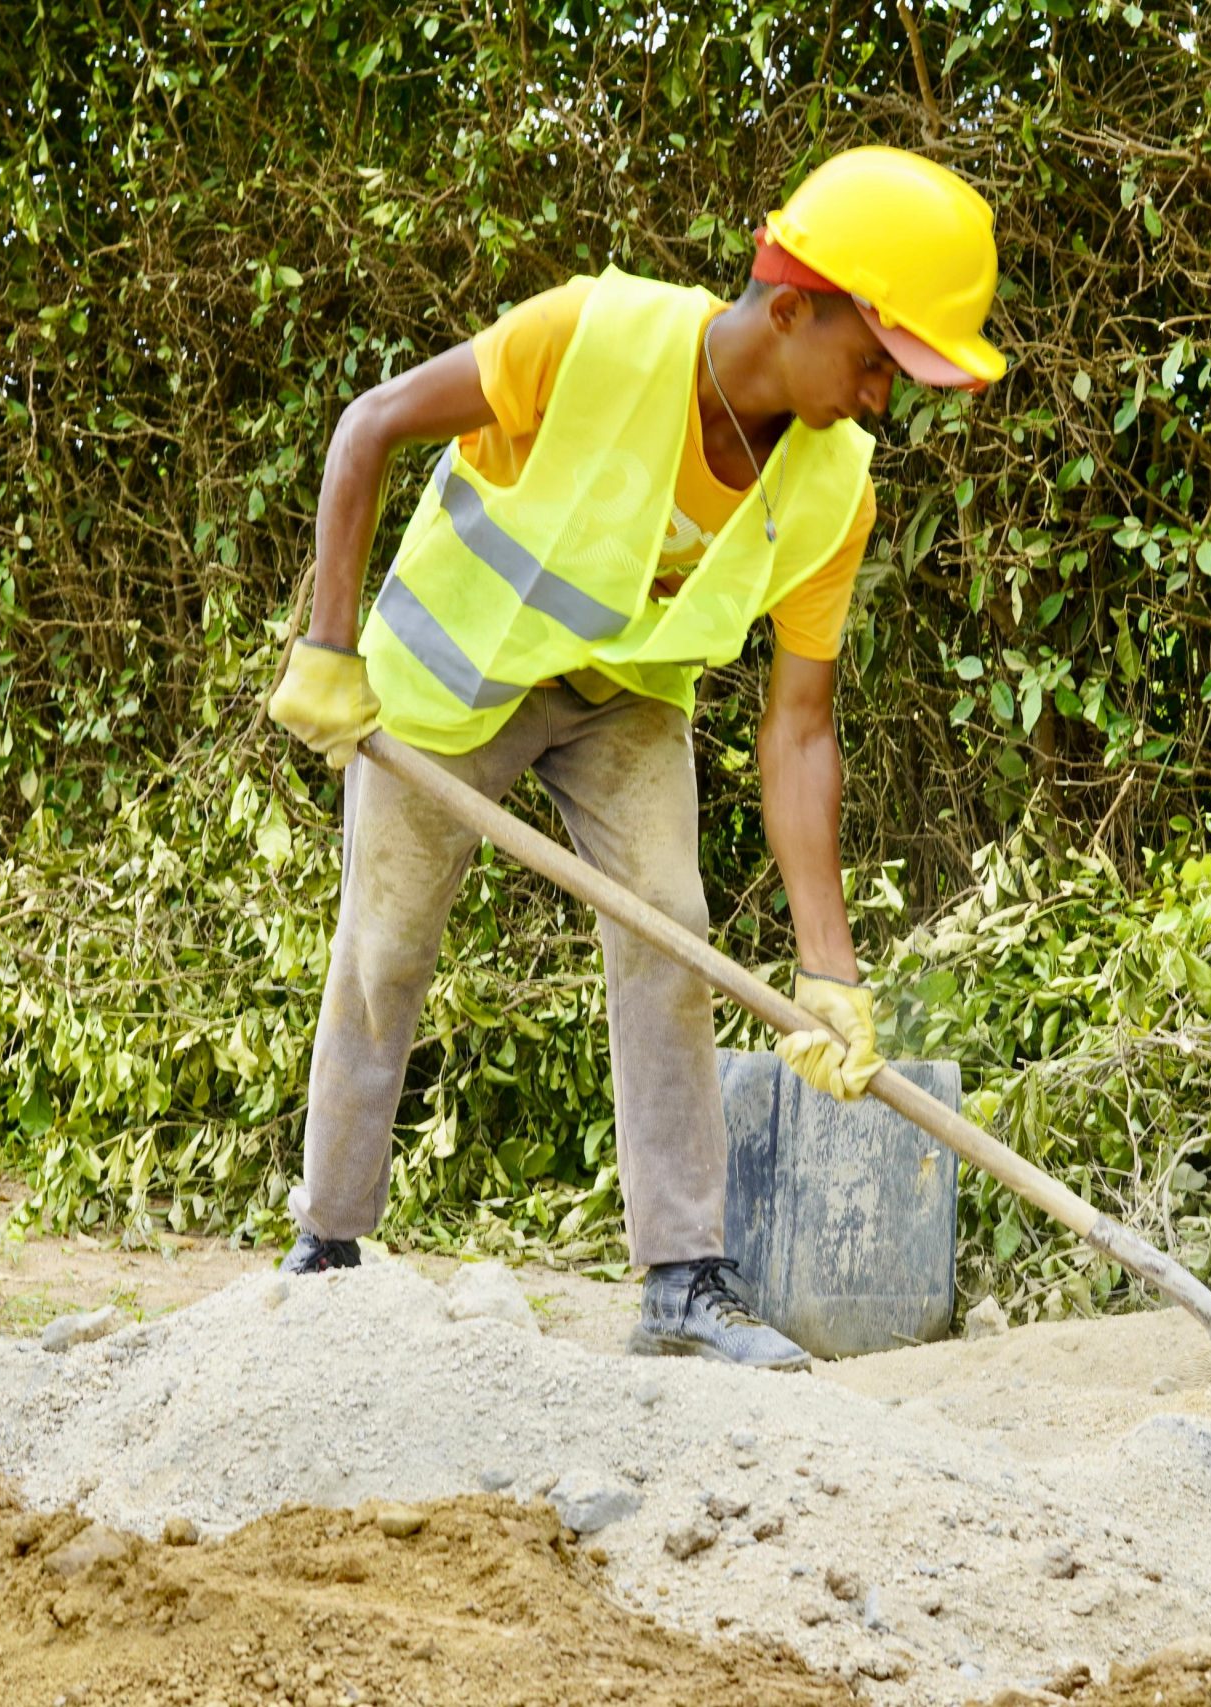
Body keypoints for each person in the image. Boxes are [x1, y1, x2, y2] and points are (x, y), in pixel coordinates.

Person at [263, 146, 1005, 1370]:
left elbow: (800, 726)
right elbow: (370, 423)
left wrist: (831, 974)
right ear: (791, 311)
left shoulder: (835, 491)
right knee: (384, 950)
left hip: (622, 700)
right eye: (876, 362)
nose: (882, 400)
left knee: (672, 928)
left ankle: (682, 1280)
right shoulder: (590, 337)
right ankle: (329, 1248)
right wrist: (328, 646)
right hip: (453, 685)